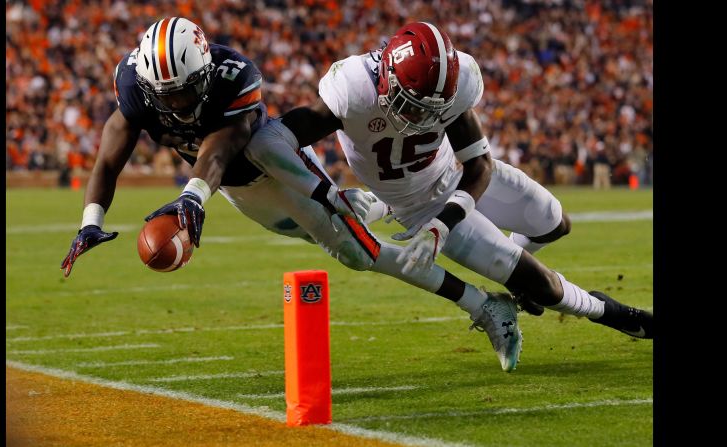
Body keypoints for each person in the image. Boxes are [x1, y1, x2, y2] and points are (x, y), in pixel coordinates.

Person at [59, 17, 524, 372]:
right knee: (346, 240)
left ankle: (483, 306)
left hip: (278, 172)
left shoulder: (235, 77)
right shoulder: (137, 84)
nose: (174, 105)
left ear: (202, 74)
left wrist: (193, 196)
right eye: (165, 94)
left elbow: (219, 151)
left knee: (358, 253)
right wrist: (90, 221)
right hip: (242, 196)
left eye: (183, 93)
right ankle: (367, 204)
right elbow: (108, 156)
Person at [245, 22, 653, 340]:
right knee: (548, 287)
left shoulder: (456, 86)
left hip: (458, 181)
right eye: (410, 105)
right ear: (385, 77)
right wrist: (324, 191)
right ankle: (613, 314)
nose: (419, 119)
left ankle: (516, 282)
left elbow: (479, 166)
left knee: (555, 222)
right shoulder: (352, 89)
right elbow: (270, 139)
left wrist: (445, 225)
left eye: (429, 110)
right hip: (419, 204)